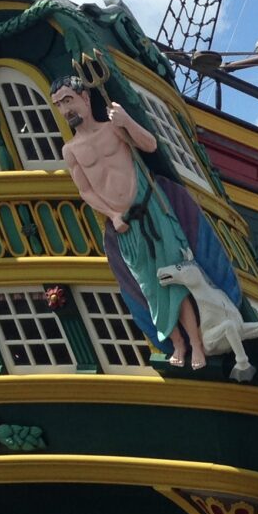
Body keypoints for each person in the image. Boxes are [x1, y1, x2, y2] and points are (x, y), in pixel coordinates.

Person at [54, 76, 207, 366]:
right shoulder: (70, 150)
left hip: (151, 210)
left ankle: (196, 344)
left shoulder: (113, 127)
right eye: (59, 105)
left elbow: (149, 145)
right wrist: (112, 215)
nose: (65, 109)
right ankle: (177, 343)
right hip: (125, 224)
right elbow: (85, 191)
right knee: (150, 287)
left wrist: (126, 120)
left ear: (85, 98)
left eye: (68, 100)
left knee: (176, 280)